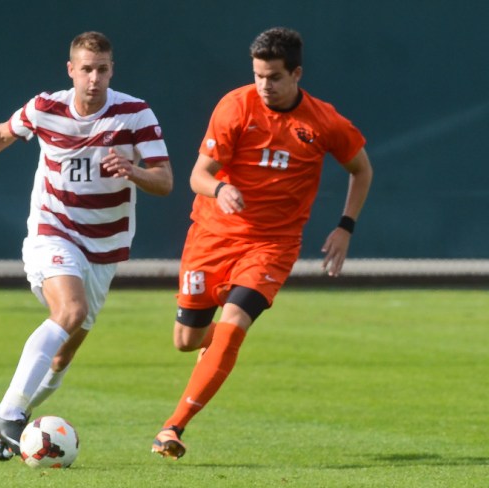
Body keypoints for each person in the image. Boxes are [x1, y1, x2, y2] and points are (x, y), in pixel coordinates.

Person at [0, 31, 173, 461]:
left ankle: (10, 422)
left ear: (113, 70)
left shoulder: (135, 114)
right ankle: (11, 411)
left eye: (103, 69)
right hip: (53, 232)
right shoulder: (45, 107)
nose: (94, 78)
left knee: (63, 354)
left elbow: (164, 181)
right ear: (71, 70)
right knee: (69, 311)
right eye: (86, 69)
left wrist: (132, 170)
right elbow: (2, 133)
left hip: (105, 248)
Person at [151, 27, 373, 459]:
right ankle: (215, 350)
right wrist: (219, 190)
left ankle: (172, 428)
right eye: (258, 76)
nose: (264, 86)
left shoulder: (324, 121)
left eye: (273, 77)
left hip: (272, 245)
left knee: (233, 327)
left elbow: (361, 169)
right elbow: (199, 175)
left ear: (297, 74)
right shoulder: (235, 107)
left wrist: (345, 226)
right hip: (212, 237)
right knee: (187, 341)